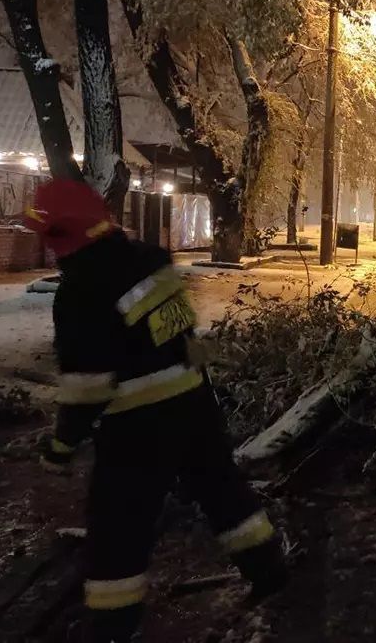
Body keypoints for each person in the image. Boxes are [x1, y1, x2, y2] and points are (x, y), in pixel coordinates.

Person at [24, 179, 286, 643]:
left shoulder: (80, 290)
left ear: (63, 236)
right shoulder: (152, 261)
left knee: (117, 527)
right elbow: (181, 334)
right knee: (223, 491)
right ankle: (268, 569)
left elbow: (87, 386)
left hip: (136, 429)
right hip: (194, 407)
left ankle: (111, 624)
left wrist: (61, 446)